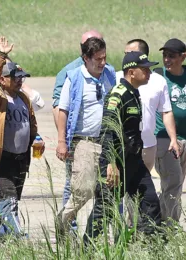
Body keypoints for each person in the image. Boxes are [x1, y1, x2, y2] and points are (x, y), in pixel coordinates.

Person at [84, 52, 161, 244]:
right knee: (105, 209)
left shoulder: (134, 93)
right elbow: (107, 130)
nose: (149, 72)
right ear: (131, 72)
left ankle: (155, 247)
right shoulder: (118, 94)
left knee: (151, 201)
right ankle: (87, 249)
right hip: (116, 163)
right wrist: (110, 162)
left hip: (134, 162)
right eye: (145, 69)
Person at [0, 36, 44, 237]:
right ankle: (18, 236)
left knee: (14, 198)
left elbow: (31, 124)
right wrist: (2, 56)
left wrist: (36, 138)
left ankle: (0, 236)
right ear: (2, 79)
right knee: (8, 199)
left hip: (21, 159)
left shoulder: (23, 98)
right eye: (15, 77)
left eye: (21, 77)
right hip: (2, 159)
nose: (19, 81)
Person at [55, 37, 116, 235]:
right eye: (98, 59)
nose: (102, 62)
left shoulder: (110, 74)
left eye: (104, 57)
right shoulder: (73, 78)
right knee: (84, 189)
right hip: (84, 142)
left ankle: (95, 234)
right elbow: (62, 110)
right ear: (85, 58)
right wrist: (62, 142)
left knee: (107, 190)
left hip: (107, 141)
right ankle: (64, 219)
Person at [116, 39, 179, 172]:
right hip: (122, 145)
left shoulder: (158, 81)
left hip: (148, 145)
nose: (126, 57)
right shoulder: (115, 78)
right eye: (125, 53)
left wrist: (173, 139)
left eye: (130, 53)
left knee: (143, 187)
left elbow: (166, 112)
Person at [154, 38, 186, 225]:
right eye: (165, 55)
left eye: (172, 56)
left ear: (183, 57)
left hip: (185, 138)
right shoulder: (158, 77)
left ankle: (157, 224)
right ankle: (170, 229)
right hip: (165, 139)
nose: (167, 59)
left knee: (174, 185)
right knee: (173, 183)